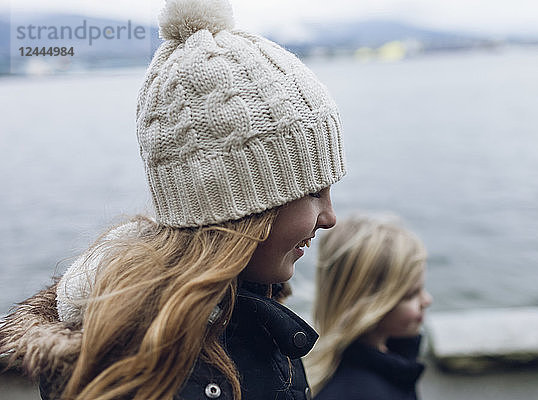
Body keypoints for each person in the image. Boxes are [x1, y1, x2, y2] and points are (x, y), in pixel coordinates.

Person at [0, 0, 346, 399]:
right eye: (313, 193)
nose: (330, 217)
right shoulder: (148, 379)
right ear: (238, 206)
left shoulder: (250, 312)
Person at [305, 215, 432, 400]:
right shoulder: (357, 391)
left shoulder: (392, 357)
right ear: (369, 304)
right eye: (411, 295)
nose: (427, 300)